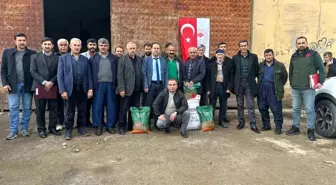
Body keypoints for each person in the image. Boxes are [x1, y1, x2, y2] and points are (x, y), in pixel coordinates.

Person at [287, 36, 326, 141]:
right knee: (295, 109)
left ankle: (311, 130)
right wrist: (291, 82)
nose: (301, 45)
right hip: (295, 88)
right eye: (299, 43)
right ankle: (296, 127)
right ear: (296, 45)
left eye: (303, 43)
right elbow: (291, 70)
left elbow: (322, 69)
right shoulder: (294, 56)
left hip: (308, 88)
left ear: (307, 43)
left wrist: (321, 82)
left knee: (309, 110)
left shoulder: (314, 55)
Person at [1, 33, 36, 140]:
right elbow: (3, 70)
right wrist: (5, 83)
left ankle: (24, 128)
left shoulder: (32, 53)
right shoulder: (7, 53)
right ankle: (13, 130)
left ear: (26, 41)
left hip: (27, 84)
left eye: (24, 40)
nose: (22, 42)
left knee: (27, 107)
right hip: (13, 85)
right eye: (19, 40)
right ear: (15, 41)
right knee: (13, 108)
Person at [57, 38, 93, 140]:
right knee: (69, 111)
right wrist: (62, 90)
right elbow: (60, 76)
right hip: (69, 89)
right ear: (70, 46)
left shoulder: (85, 59)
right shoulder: (63, 58)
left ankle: (81, 128)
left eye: (78, 45)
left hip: (83, 88)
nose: (76, 47)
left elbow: (89, 75)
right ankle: (68, 130)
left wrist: (90, 89)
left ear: (81, 47)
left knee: (83, 110)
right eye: (75, 45)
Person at [30, 37, 61, 138]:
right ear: (41, 45)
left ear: (52, 46)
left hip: (53, 86)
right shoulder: (34, 57)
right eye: (45, 44)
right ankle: (41, 129)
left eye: (49, 44)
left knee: (54, 109)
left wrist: (51, 82)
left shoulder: (57, 58)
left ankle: (52, 128)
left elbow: (59, 72)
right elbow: (33, 71)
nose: (47, 46)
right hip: (39, 86)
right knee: (40, 109)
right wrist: (44, 82)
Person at [90, 38, 118, 135]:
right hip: (98, 85)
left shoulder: (114, 58)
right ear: (98, 46)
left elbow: (117, 72)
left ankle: (110, 125)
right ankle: (98, 125)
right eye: (101, 45)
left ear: (108, 46)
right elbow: (90, 74)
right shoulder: (93, 58)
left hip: (110, 85)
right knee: (97, 106)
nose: (103, 47)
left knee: (111, 105)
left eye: (105, 45)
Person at [232, 40, 260, 134]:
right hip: (239, 83)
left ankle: (253, 124)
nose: (243, 47)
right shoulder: (235, 58)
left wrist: (253, 79)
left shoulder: (254, 57)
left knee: (251, 104)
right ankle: (241, 122)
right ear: (239, 47)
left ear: (247, 46)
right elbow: (233, 72)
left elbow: (256, 70)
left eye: (245, 45)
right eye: (241, 46)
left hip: (249, 83)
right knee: (239, 104)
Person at [257, 49, 288, 135]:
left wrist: (278, 86)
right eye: (266, 55)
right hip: (262, 88)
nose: (268, 57)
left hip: (273, 88)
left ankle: (278, 127)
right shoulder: (260, 65)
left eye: (270, 55)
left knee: (276, 109)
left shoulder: (279, 65)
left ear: (273, 55)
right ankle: (266, 125)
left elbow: (284, 77)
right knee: (262, 107)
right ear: (264, 56)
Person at [117, 42, 144, 135]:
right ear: (127, 49)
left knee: (134, 109)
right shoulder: (122, 59)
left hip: (137, 89)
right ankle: (121, 127)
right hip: (126, 89)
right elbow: (119, 75)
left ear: (136, 49)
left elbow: (142, 73)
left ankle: (130, 126)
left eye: (134, 48)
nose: (132, 50)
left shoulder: (140, 59)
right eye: (130, 48)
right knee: (123, 109)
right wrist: (121, 89)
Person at [206, 49, 233, 128]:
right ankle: (211, 121)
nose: (220, 56)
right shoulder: (211, 65)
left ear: (224, 55)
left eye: (221, 54)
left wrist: (229, 88)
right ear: (216, 56)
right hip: (213, 86)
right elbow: (207, 79)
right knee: (212, 105)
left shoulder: (227, 65)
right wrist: (208, 89)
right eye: (218, 55)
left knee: (223, 105)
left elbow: (231, 78)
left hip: (223, 87)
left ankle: (221, 120)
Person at [81, 38, 97, 127]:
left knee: (95, 104)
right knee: (85, 105)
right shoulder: (82, 56)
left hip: (96, 84)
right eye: (90, 45)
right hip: (85, 84)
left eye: (94, 45)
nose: (92, 46)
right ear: (87, 46)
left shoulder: (98, 56)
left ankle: (95, 121)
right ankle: (83, 122)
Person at [55, 38, 69, 131]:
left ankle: (68, 122)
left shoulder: (71, 56)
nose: (63, 47)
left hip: (68, 84)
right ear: (58, 46)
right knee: (58, 105)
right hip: (56, 84)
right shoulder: (54, 56)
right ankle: (60, 122)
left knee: (68, 106)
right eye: (61, 45)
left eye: (65, 45)